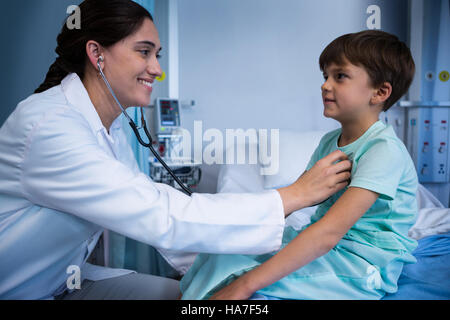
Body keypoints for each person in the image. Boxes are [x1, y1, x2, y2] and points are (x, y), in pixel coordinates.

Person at [0, 0, 351, 300]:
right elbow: (161, 216)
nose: (157, 69)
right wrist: (293, 195)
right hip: (19, 291)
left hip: (63, 281)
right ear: (97, 54)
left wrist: (226, 275)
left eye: (157, 54)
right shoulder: (49, 127)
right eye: (144, 52)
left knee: (197, 298)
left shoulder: (111, 125)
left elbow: (163, 227)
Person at [180, 30, 419, 300]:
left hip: (361, 264)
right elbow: (297, 196)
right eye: (325, 76)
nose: (325, 85)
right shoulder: (330, 141)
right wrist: (230, 231)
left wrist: (244, 285)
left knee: (247, 284)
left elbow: (328, 233)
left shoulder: (382, 150)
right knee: (221, 254)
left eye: (340, 76)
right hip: (328, 248)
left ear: (380, 92)